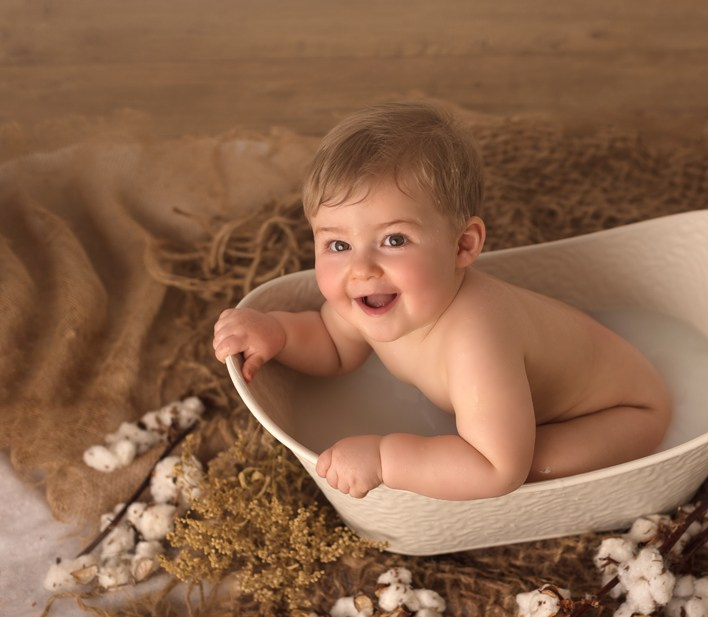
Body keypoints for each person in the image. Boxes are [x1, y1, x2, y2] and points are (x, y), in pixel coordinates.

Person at [213, 101, 671, 500]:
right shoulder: (377, 296)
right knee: (490, 454)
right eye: (338, 245)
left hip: (622, 411)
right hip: (550, 380)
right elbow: (333, 345)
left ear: (462, 246)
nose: (361, 268)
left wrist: (384, 458)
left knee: (527, 465)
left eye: (394, 239)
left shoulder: (475, 338)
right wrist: (276, 332)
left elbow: (495, 468)